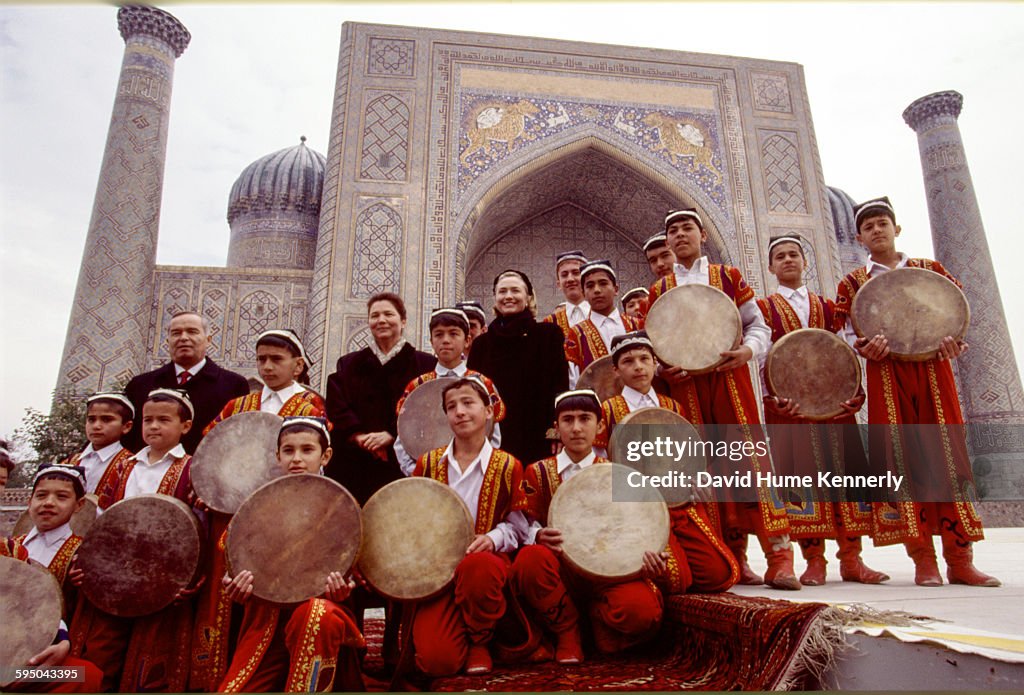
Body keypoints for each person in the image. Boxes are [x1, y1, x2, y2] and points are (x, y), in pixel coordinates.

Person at [833, 197, 998, 587]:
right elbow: (847, 331)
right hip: (887, 372)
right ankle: (923, 558)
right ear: (859, 236)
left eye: (882, 224)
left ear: (896, 229)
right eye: (869, 226)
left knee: (948, 456)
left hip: (933, 369)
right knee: (901, 459)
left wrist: (955, 342)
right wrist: (862, 346)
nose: (877, 230)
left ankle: (960, 558)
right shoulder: (853, 283)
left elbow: (956, 315)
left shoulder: (930, 271)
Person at [649, 208, 798, 590]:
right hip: (686, 388)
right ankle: (734, 558)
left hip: (729, 381)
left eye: (687, 228)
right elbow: (653, 344)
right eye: (673, 231)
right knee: (704, 470)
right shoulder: (658, 291)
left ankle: (779, 557)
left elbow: (757, 324)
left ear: (702, 235)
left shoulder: (727, 277)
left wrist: (748, 352)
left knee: (749, 464)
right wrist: (663, 371)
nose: (680, 235)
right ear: (667, 242)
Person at [193, 328, 328, 690]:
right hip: (232, 513)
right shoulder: (238, 406)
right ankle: (222, 669)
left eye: (276, 359)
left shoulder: (310, 405)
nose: (267, 367)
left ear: (298, 365)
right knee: (229, 593)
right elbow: (211, 449)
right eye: (262, 359)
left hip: (283, 515)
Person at [756, 235, 888, 585]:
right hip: (790, 409)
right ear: (770, 267)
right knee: (801, 481)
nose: (787, 260)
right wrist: (771, 398)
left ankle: (852, 560)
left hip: (834, 407)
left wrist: (854, 392)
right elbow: (761, 359)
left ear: (805, 260)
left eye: (793, 254)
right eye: (780, 256)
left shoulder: (829, 307)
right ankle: (815, 560)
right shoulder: (764, 309)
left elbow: (846, 354)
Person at [511, 389, 668, 663]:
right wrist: (537, 534)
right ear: (556, 427)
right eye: (567, 420)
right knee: (529, 560)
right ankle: (567, 631)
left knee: (641, 613)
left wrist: (648, 555)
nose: (576, 428)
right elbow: (523, 524)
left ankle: (596, 616)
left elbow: (637, 526)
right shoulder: (536, 471)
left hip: (609, 575)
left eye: (585, 419)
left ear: (600, 425)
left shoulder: (617, 472)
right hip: (560, 574)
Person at [218, 417, 365, 692]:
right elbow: (234, 558)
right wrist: (233, 585)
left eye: (307, 450)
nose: (296, 459)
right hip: (266, 621)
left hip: (323, 616)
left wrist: (346, 589)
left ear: (326, 456)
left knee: (316, 615)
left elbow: (358, 571)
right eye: (288, 450)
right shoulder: (257, 504)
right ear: (277, 456)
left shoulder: (342, 504)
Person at [70, 389, 203, 692]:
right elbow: (98, 520)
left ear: (185, 425)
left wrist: (190, 577)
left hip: (164, 583)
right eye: (148, 420)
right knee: (102, 654)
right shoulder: (123, 466)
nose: (154, 426)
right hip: (115, 579)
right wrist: (84, 562)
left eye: (163, 420)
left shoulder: (191, 469)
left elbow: (198, 530)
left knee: (152, 659)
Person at [597, 333, 739, 595]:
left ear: (655, 364)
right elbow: (600, 463)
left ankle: (678, 553)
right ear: (616, 370)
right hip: (637, 511)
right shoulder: (608, 410)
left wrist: (698, 480)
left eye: (644, 359)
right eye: (628, 361)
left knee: (721, 573)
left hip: (678, 507)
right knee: (675, 579)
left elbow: (689, 456)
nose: (638, 366)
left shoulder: (672, 406)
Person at [411, 377, 526, 676]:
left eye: (468, 403)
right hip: (438, 572)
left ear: (488, 411)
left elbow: (518, 527)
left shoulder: (508, 465)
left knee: (478, 567)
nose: (460, 411)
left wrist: (493, 538)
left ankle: (480, 640)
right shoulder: (427, 463)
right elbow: (411, 519)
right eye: (451, 407)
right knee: (438, 662)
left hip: (485, 568)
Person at [325, 293, 436, 505]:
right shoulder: (349, 364)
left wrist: (392, 434)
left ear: (403, 321)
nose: (381, 320)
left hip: (403, 460)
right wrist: (356, 434)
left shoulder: (424, 364)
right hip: (356, 461)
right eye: (374, 315)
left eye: (388, 314)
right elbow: (337, 404)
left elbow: (426, 410)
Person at [1, 465, 103, 694]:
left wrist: (64, 640)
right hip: (5, 650)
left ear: (79, 506)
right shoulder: (10, 548)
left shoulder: (84, 552)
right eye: (41, 495)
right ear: (30, 502)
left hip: (43, 656)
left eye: (61, 496)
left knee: (85, 675)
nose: (48, 502)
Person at [467, 270, 569, 464]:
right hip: (495, 438)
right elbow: (474, 393)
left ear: (528, 296)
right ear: (495, 297)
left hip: (540, 435)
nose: (508, 296)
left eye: (515, 290)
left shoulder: (549, 335)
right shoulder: (481, 344)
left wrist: (556, 430)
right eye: (502, 291)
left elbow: (560, 387)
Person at [394, 308, 505, 476]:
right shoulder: (418, 385)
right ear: (431, 341)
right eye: (439, 335)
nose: (446, 340)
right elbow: (403, 437)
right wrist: (417, 472)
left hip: (475, 474)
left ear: (467, 340)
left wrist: (478, 470)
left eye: (453, 334)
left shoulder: (482, 383)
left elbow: (493, 434)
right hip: (428, 477)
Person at [124, 311, 249, 453]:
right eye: (176, 333)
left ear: (208, 339)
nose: (183, 338)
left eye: (192, 332)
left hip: (205, 471)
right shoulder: (141, 384)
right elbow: (128, 436)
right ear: (167, 341)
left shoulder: (233, 384)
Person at [565, 260, 643, 387]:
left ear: (616, 289)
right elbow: (574, 380)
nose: (596, 290)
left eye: (603, 283)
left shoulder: (638, 325)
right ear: (584, 293)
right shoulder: (576, 333)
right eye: (590, 286)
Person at [59, 393, 134, 496]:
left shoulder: (132, 466)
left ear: (126, 427)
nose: (96, 426)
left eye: (106, 419)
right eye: (91, 419)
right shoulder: (68, 463)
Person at [541, 250, 590, 337]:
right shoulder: (550, 323)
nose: (570, 279)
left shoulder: (602, 315)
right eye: (564, 275)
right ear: (558, 284)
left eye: (576, 273)